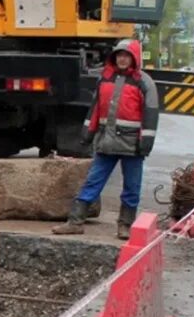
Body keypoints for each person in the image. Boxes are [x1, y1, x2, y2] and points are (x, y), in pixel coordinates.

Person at [53, 39, 158, 239]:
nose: (123, 59)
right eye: (119, 55)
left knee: (131, 188)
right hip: (106, 143)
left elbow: (151, 114)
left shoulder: (145, 82)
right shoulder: (105, 78)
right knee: (92, 182)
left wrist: (146, 142)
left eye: (127, 56)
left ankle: (125, 226)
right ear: (114, 57)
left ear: (134, 58)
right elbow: (95, 110)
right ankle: (75, 222)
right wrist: (87, 133)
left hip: (132, 146)